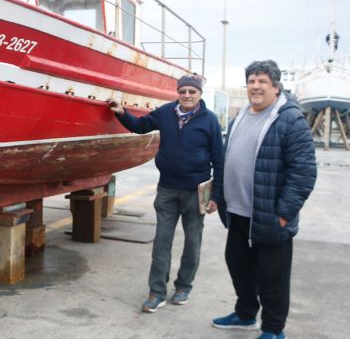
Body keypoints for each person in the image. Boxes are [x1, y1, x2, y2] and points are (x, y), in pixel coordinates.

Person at [211, 60, 316, 339]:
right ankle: (246, 315)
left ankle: (273, 329)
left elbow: (304, 172)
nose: (255, 86)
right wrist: (218, 197)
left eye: (262, 81)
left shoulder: (290, 120)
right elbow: (227, 160)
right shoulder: (241, 116)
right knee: (238, 265)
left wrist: (283, 213)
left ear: (276, 86)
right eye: (251, 81)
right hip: (238, 212)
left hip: (270, 217)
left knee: (273, 278)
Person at [106, 74, 224, 313]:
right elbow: (140, 127)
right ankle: (156, 292)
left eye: (192, 91)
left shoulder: (210, 121)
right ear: (178, 92)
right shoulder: (166, 113)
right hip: (167, 189)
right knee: (162, 242)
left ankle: (184, 286)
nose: (187, 95)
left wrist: (217, 196)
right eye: (183, 91)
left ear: (200, 93)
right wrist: (120, 112)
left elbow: (220, 160)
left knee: (193, 242)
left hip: (195, 191)